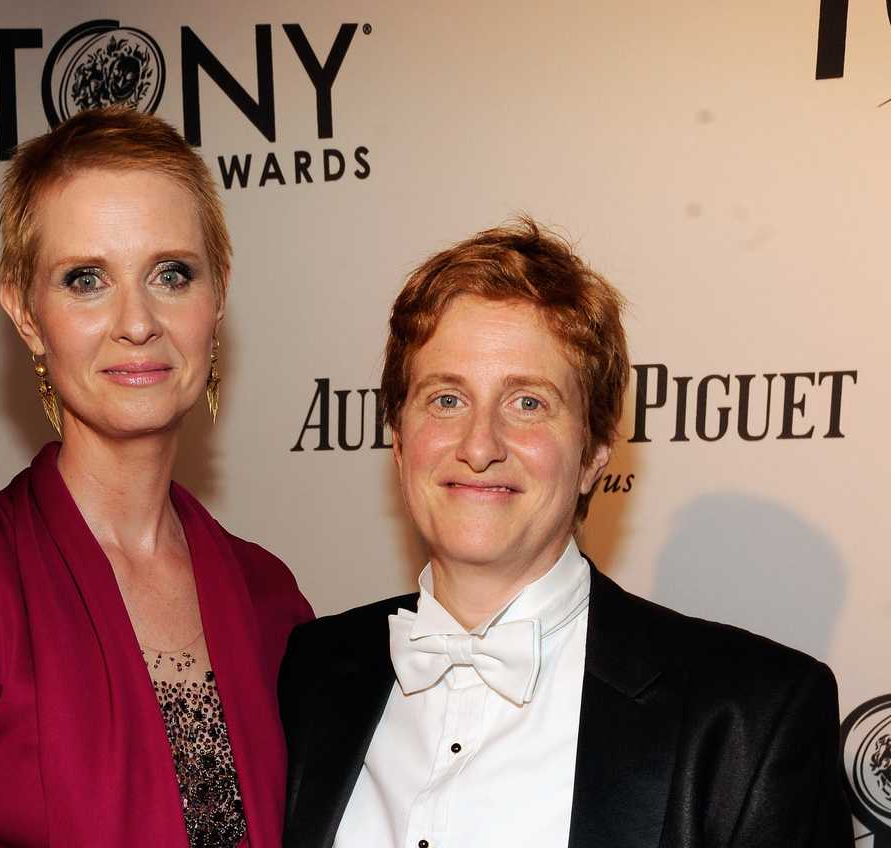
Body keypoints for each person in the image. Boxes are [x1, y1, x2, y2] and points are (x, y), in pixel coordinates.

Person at [278, 220, 852, 847]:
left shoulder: (751, 718)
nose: (478, 445)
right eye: (446, 399)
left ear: (595, 451)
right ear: (398, 437)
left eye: (528, 402)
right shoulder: (312, 673)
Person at [0, 106, 312, 848]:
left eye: (172, 273)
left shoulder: (273, 602)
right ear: (25, 313)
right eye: (86, 279)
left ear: (218, 294)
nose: (136, 321)